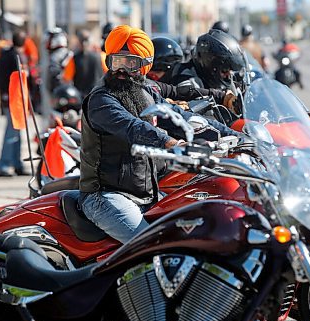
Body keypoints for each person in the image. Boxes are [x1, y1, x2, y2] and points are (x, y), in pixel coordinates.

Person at [79, 25, 238, 243]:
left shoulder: (145, 92)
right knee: (152, 247)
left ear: (144, 67)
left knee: (192, 227)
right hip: (106, 196)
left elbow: (181, 116)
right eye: (117, 61)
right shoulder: (101, 100)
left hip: (145, 194)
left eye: (130, 63)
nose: (122, 70)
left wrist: (238, 137)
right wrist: (172, 144)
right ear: (109, 62)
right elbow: (134, 128)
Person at [0, 30, 29, 177]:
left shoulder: (5, 55)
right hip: (14, 99)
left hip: (13, 98)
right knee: (11, 132)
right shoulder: (16, 57)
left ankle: (17, 164)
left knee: (17, 132)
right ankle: (4, 165)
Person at [171, 29, 245, 91]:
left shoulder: (220, 81)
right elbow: (187, 93)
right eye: (225, 70)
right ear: (209, 63)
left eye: (231, 70)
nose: (229, 74)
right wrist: (220, 96)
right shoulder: (186, 78)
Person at [63, 29, 104, 98]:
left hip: (81, 99)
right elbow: (108, 73)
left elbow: (66, 78)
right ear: (90, 41)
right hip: (98, 96)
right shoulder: (101, 56)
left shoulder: (73, 58)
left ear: (78, 41)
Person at [45, 27, 73, 93]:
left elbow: (54, 76)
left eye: (50, 38)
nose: (47, 41)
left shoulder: (55, 56)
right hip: (70, 88)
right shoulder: (69, 52)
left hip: (61, 90)